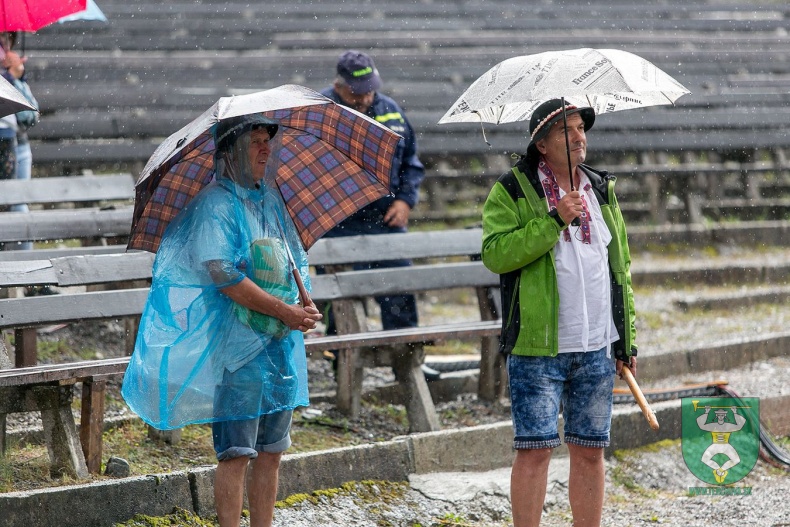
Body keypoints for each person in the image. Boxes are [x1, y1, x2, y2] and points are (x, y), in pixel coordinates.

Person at [122, 115, 322, 527]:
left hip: (280, 345)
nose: (266, 149)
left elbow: (293, 261)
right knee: (237, 453)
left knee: (272, 450)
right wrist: (284, 311)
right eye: (255, 142)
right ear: (230, 150)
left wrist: (305, 303)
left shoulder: (270, 199)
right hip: (239, 348)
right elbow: (223, 274)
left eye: (269, 140)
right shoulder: (216, 204)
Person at [480, 99, 638, 527]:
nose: (578, 136)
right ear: (542, 144)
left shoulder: (601, 189)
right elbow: (496, 254)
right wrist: (553, 220)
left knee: (590, 450)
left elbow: (620, 269)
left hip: (597, 347)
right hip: (538, 347)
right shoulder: (511, 189)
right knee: (534, 451)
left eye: (580, 128)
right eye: (566, 130)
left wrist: (627, 337)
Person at [319, 50, 439, 380]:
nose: (365, 98)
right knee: (340, 296)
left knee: (399, 285)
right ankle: (342, 362)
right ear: (339, 86)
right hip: (337, 223)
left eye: (369, 90)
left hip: (385, 220)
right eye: (357, 92)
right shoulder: (319, 113)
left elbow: (411, 163)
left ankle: (408, 360)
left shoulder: (391, 110)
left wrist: (405, 202)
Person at [1, 32, 40, 256]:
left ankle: (27, 267)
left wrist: (16, 77)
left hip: (17, 142)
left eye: (8, 38)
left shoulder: (13, 68)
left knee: (19, 205)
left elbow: (29, 114)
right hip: (4, 142)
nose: (5, 43)